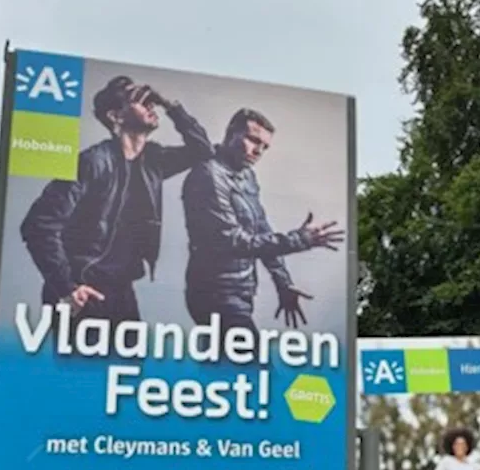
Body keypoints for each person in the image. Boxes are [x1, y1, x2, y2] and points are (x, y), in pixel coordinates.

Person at [20, 76, 212, 326]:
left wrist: (170, 105)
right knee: (81, 366)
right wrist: (67, 288)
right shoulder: (92, 162)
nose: (150, 105)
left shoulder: (153, 160)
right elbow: (38, 224)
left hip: (121, 291)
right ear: (115, 116)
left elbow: (203, 151)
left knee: (131, 365)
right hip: (81, 288)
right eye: (139, 101)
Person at [182, 108, 344, 333]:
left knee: (225, 366)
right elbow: (231, 241)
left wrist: (283, 283)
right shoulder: (209, 175)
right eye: (253, 140)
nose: (258, 150)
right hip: (214, 293)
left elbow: (260, 229)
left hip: (240, 293)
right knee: (251, 365)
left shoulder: (246, 175)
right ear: (231, 134)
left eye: (265, 147)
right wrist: (300, 239)